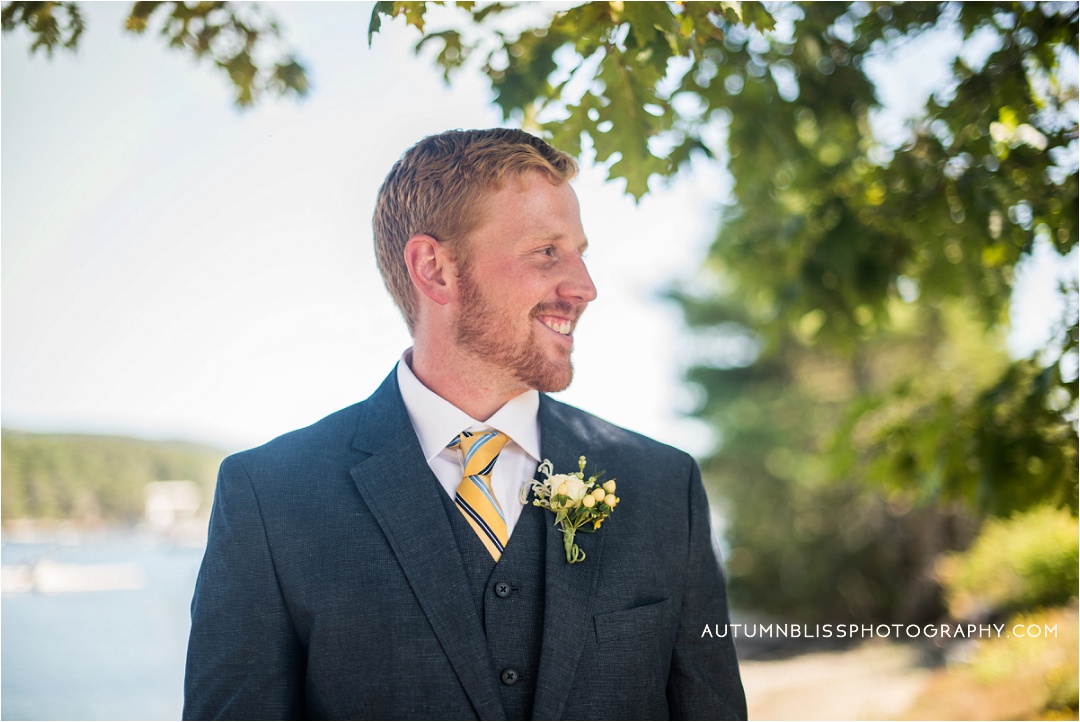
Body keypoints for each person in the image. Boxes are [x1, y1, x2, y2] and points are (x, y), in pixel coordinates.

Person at [183, 128, 746, 720]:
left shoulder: (662, 485)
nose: (585, 287)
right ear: (435, 269)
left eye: (581, 251)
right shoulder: (271, 497)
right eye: (546, 251)